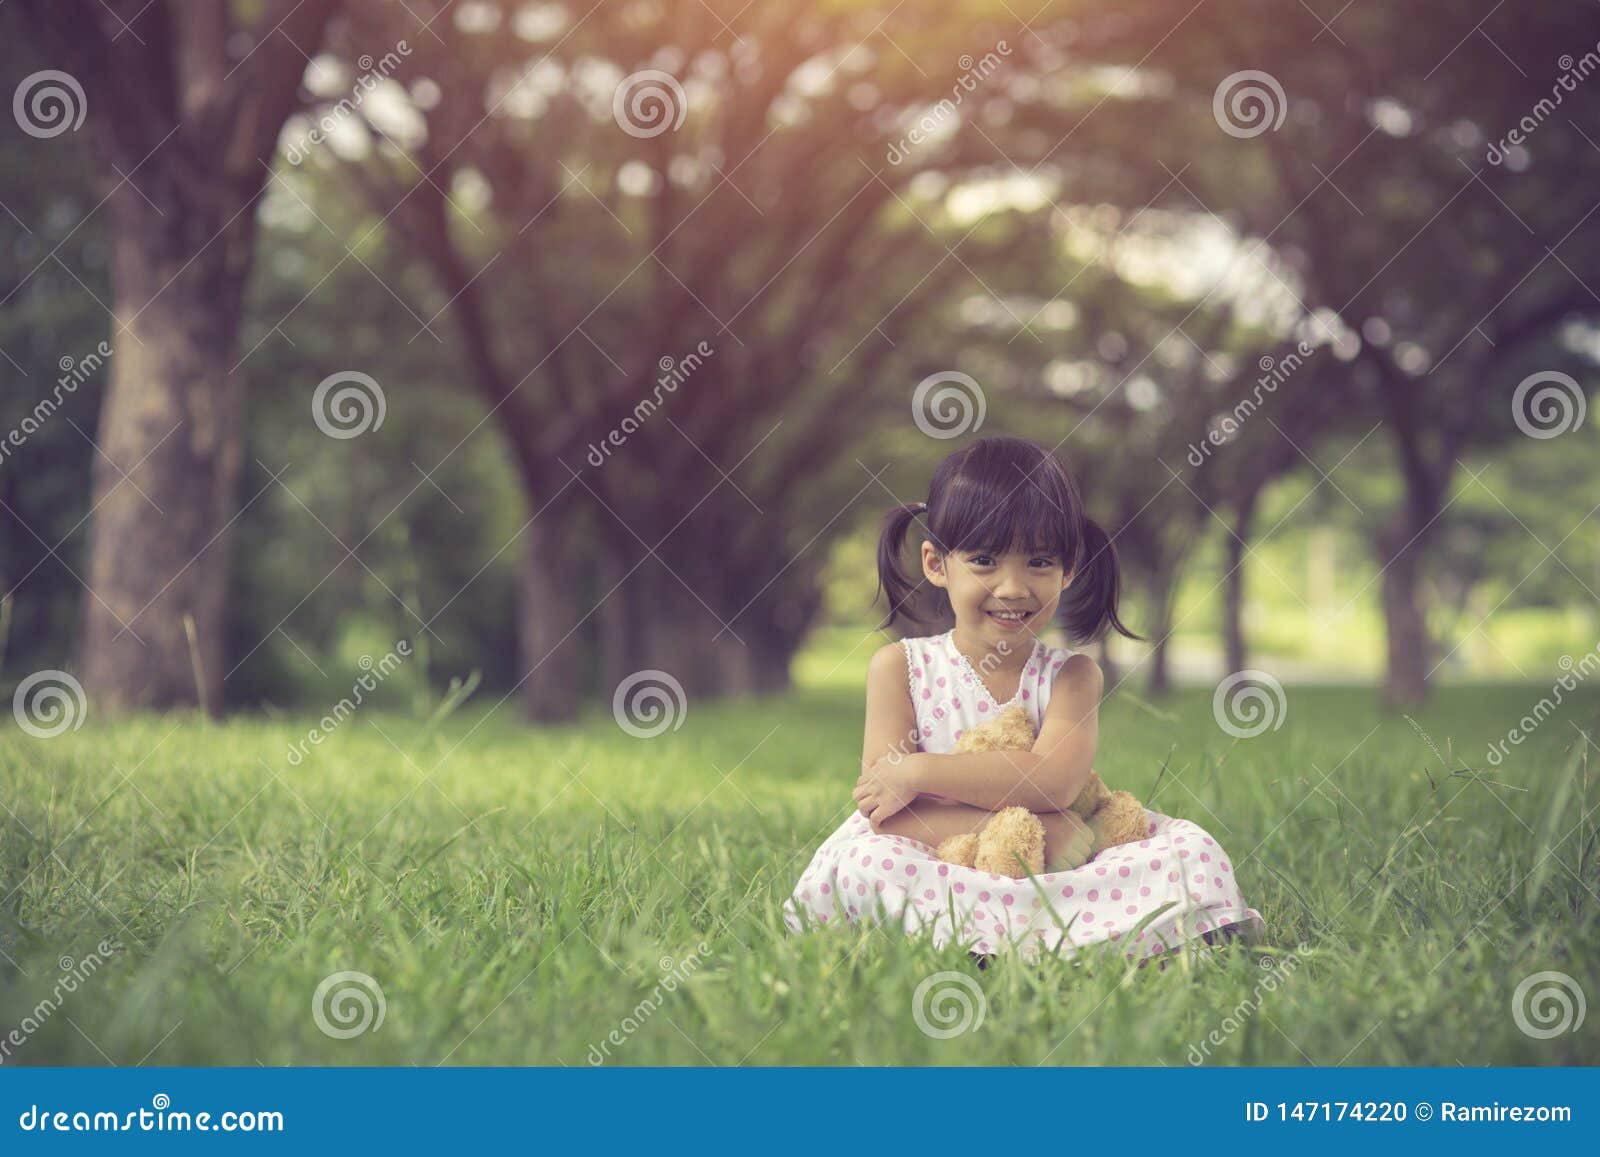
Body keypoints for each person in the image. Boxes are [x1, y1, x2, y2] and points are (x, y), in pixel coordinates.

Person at [782, 436, 1263, 960]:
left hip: (1056, 859)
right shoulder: (900, 668)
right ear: (937, 563)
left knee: (1191, 851)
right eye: (984, 560)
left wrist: (919, 773)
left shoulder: (1073, 676)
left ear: (1069, 568)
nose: (1012, 588)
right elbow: (887, 812)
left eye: (1038, 562)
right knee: (869, 865)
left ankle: (987, 941)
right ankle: (1060, 940)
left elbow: (1053, 781)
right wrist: (1016, 830)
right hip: (937, 857)